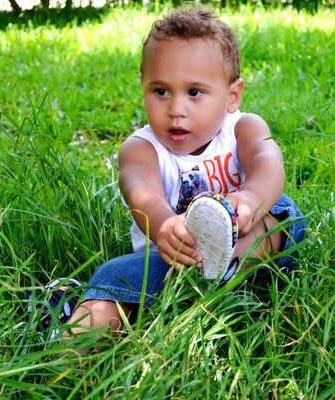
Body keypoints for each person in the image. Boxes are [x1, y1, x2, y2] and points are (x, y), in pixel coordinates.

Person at [63, 5, 305, 338]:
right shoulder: (141, 148)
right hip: (171, 268)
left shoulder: (242, 128)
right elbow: (139, 189)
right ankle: (63, 357)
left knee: (284, 213)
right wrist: (164, 225)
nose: (177, 110)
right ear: (143, 86)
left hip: (250, 261)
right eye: (161, 91)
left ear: (232, 95)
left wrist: (249, 197)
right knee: (112, 278)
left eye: (194, 93)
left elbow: (268, 158)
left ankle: (226, 271)